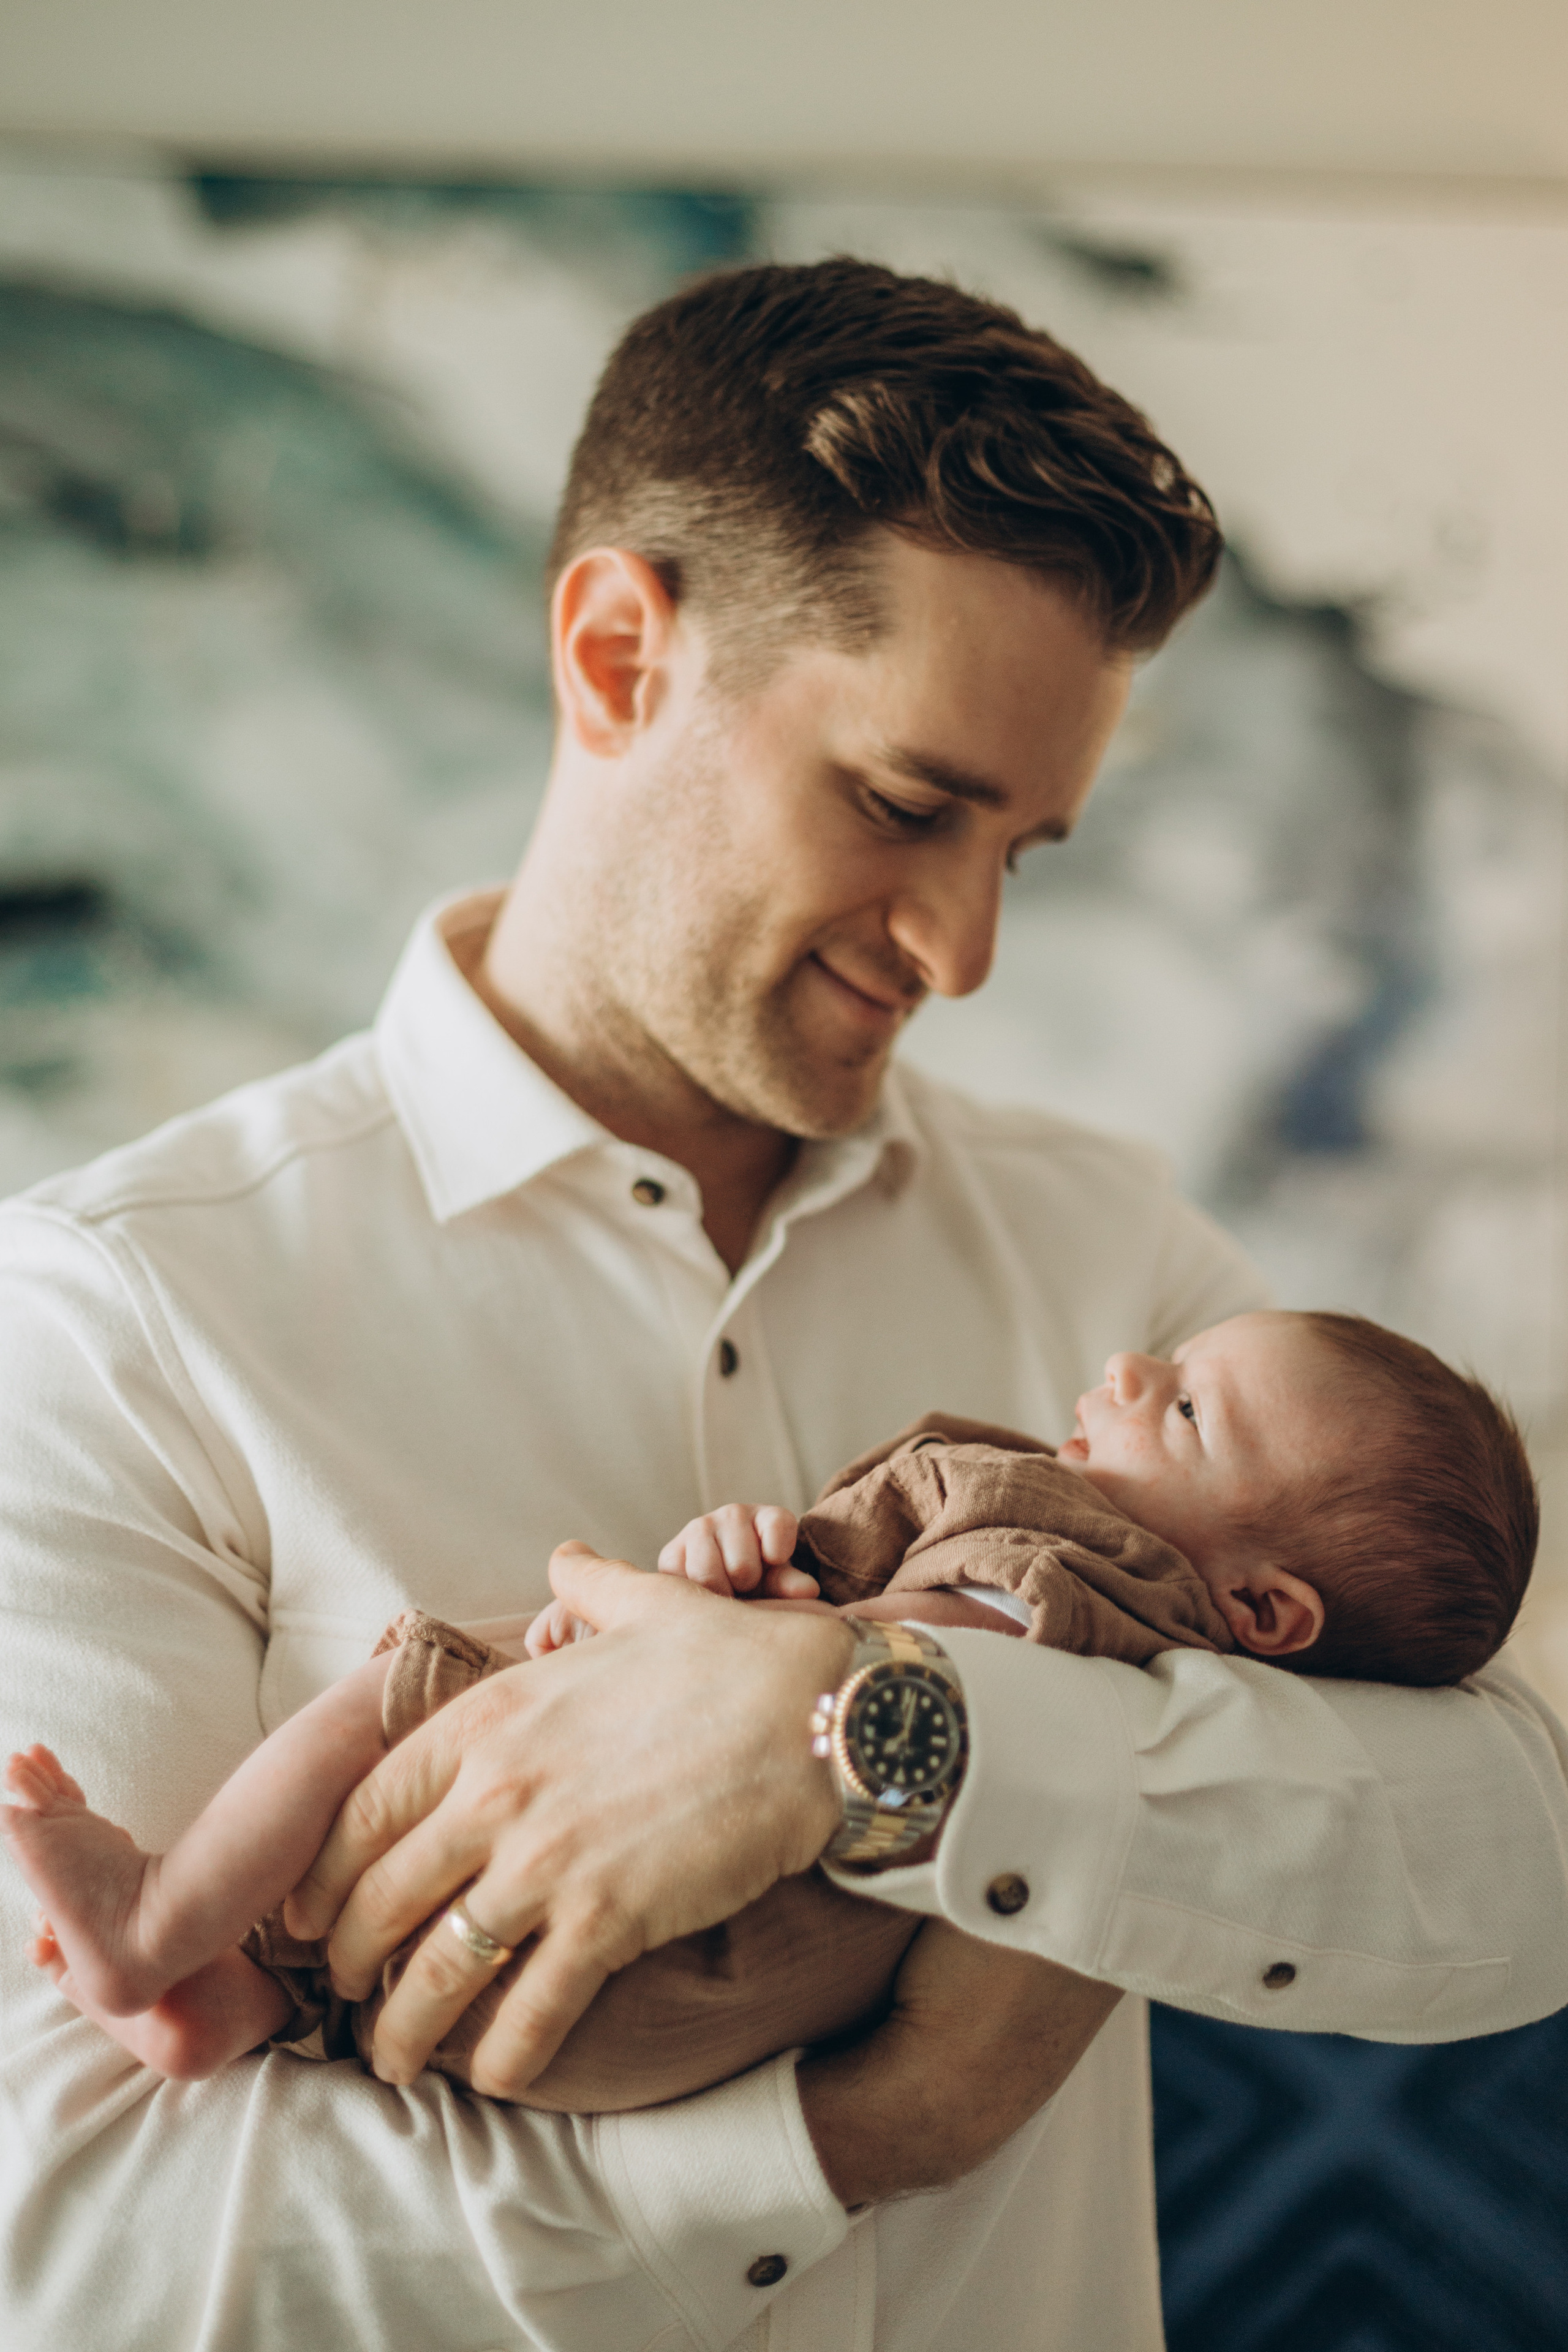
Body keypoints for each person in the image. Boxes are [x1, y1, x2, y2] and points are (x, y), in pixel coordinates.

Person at [2, 259, 1566, 2352]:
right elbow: (81, 2249)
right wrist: (844, 2138)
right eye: (909, 807)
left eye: (1025, 851)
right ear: (617, 653)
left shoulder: (1118, 1263)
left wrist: (877, 1750)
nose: (962, 949)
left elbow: (1510, 1870)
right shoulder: (118, 1311)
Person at [4, 1305, 1537, 2108]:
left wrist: (810, 1675)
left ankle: (161, 1928)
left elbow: (904, 1655)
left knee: (404, 1679)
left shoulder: (1073, 1552)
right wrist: (745, 1577)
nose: (1131, 1363)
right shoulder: (106, 1306)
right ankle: (259, 2008)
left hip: (650, 1972)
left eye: (1186, 1403)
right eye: (900, 804)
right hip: (666, 2038)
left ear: (1267, 1614)